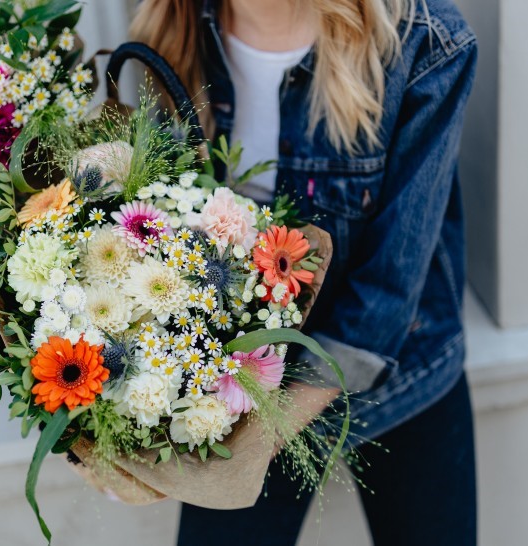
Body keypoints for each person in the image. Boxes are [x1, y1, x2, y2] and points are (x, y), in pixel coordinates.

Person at [131, 0, 479, 544]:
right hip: (234, 386)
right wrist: (129, 416)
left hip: (401, 371)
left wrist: (260, 433)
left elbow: (392, 281)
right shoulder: (173, 25)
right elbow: (154, 233)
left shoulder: (425, 40)